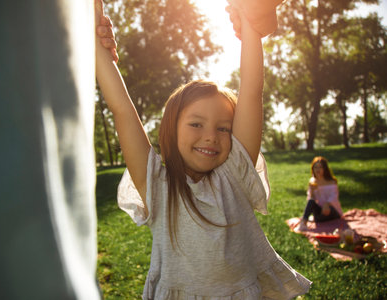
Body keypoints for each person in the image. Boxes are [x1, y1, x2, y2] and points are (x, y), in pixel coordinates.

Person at [95, 0, 311, 298]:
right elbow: (121, 108)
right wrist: (95, 42)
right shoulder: (156, 184)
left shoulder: (234, 172)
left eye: (224, 128)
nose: (211, 136)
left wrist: (251, 24)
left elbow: (250, 91)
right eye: (196, 124)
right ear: (171, 128)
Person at [295, 156, 343, 232]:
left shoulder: (332, 181)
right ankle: (303, 223)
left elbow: (334, 196)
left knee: (325, 213)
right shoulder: (312, 181)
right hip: (320, 212)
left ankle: (316, 220)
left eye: (320, 167)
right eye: (315, 167)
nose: (318, 170)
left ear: (325, 169)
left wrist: (327, 204)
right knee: (311, 201)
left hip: (333, 211)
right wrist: (313, 192)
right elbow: (311, 199)